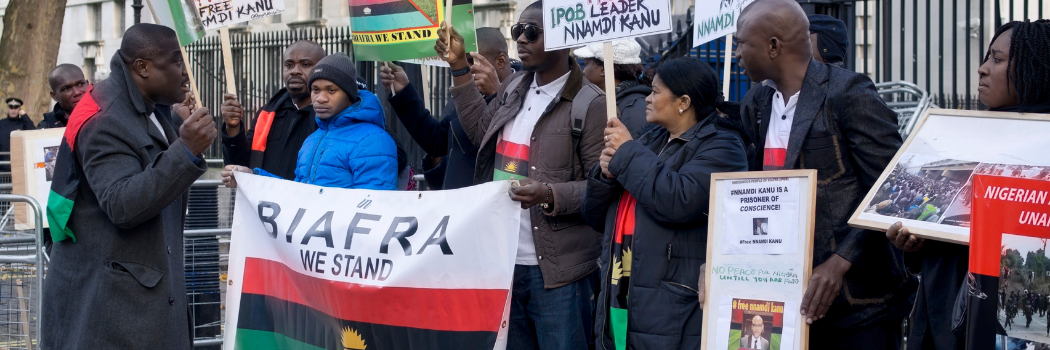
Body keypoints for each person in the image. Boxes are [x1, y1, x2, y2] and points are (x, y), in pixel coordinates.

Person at [736, 0, 914, 348]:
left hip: (859, 309)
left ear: (773, 46)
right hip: (784, 301)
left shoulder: (848, 94)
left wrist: (841, 261)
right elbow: (745, 194)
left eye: (742, 43)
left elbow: (891, 189)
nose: (737, 54)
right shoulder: (756, 103)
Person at [434, 1, 607, 348]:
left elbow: (600, 187)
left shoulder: (591, 103)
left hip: (559, 274)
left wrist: (548, 195)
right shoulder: (513, 87)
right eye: (518, 31)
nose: (521, 40)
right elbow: (480, 131)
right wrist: (458, 68)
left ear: (563, 38)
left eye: (532, 32)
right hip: (504, 262)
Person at [41, 23, 216, 349]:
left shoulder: (146, 107)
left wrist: (180, 130)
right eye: (177, 61)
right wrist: (186, 149)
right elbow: (121, 203)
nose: (186, 71)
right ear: (143, 68)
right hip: (114, 314)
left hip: (142, 303)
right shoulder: (106, 118)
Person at [888, 19, 1050, 350]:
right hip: (938, 319)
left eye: (997, 59)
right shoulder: (967, 137)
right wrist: (916, 246)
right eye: (987, 58)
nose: (982, 69)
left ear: (1035, 67)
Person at [582, 57, 748, 349]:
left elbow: (680, 200)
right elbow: (595, 215)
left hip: (671, 304)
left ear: (683, 101)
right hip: (622, 286)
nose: (647, 98)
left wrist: (628, 154)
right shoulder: (652, 139)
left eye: (656, 92)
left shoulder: (723, 145)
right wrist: (606, 174)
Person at [222, 53, 398, 190]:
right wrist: (251, 176)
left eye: (331, 90)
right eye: (315, 90)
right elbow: (298, 192)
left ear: (349, 96)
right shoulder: (312, 140)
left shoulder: (374, 140)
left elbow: (374, 206)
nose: (320, 98)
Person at [379, 27, 512, 190]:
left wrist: (496, 95)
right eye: (463, 61)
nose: (466, 68)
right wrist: (403, 91)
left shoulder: (525, 94)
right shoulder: (467, 97)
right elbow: (436, 141)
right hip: (458, 206)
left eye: (471, 61)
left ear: (500, 61)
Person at [221, 40, 326, 180]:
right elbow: (239, 165)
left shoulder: (330, 116)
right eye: (289, 65)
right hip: (266, 200)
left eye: (305, 64)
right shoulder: (266, 115)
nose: (295, 70)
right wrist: (232, 128)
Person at [575, 39, 654, 138]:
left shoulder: (634, 109)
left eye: (586, 64)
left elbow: (635, 151)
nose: (583, 71)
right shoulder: (608, 102)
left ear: (603, 69)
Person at [40, 64, 90, 129]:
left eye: (81, 84)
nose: (76, 92)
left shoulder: (105, 115)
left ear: (87, 84)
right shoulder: (45, 128)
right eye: (66, 89)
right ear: (54, 96)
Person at [0, 97, 35, 171]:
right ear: (7, 109)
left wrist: (24, 116)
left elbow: (33, 133)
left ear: (19, 109)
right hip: (3, 165)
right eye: (11, 107)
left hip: (19, 166)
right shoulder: (1, 123)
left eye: (16, 107)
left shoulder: (23, 123)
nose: (13, 110)